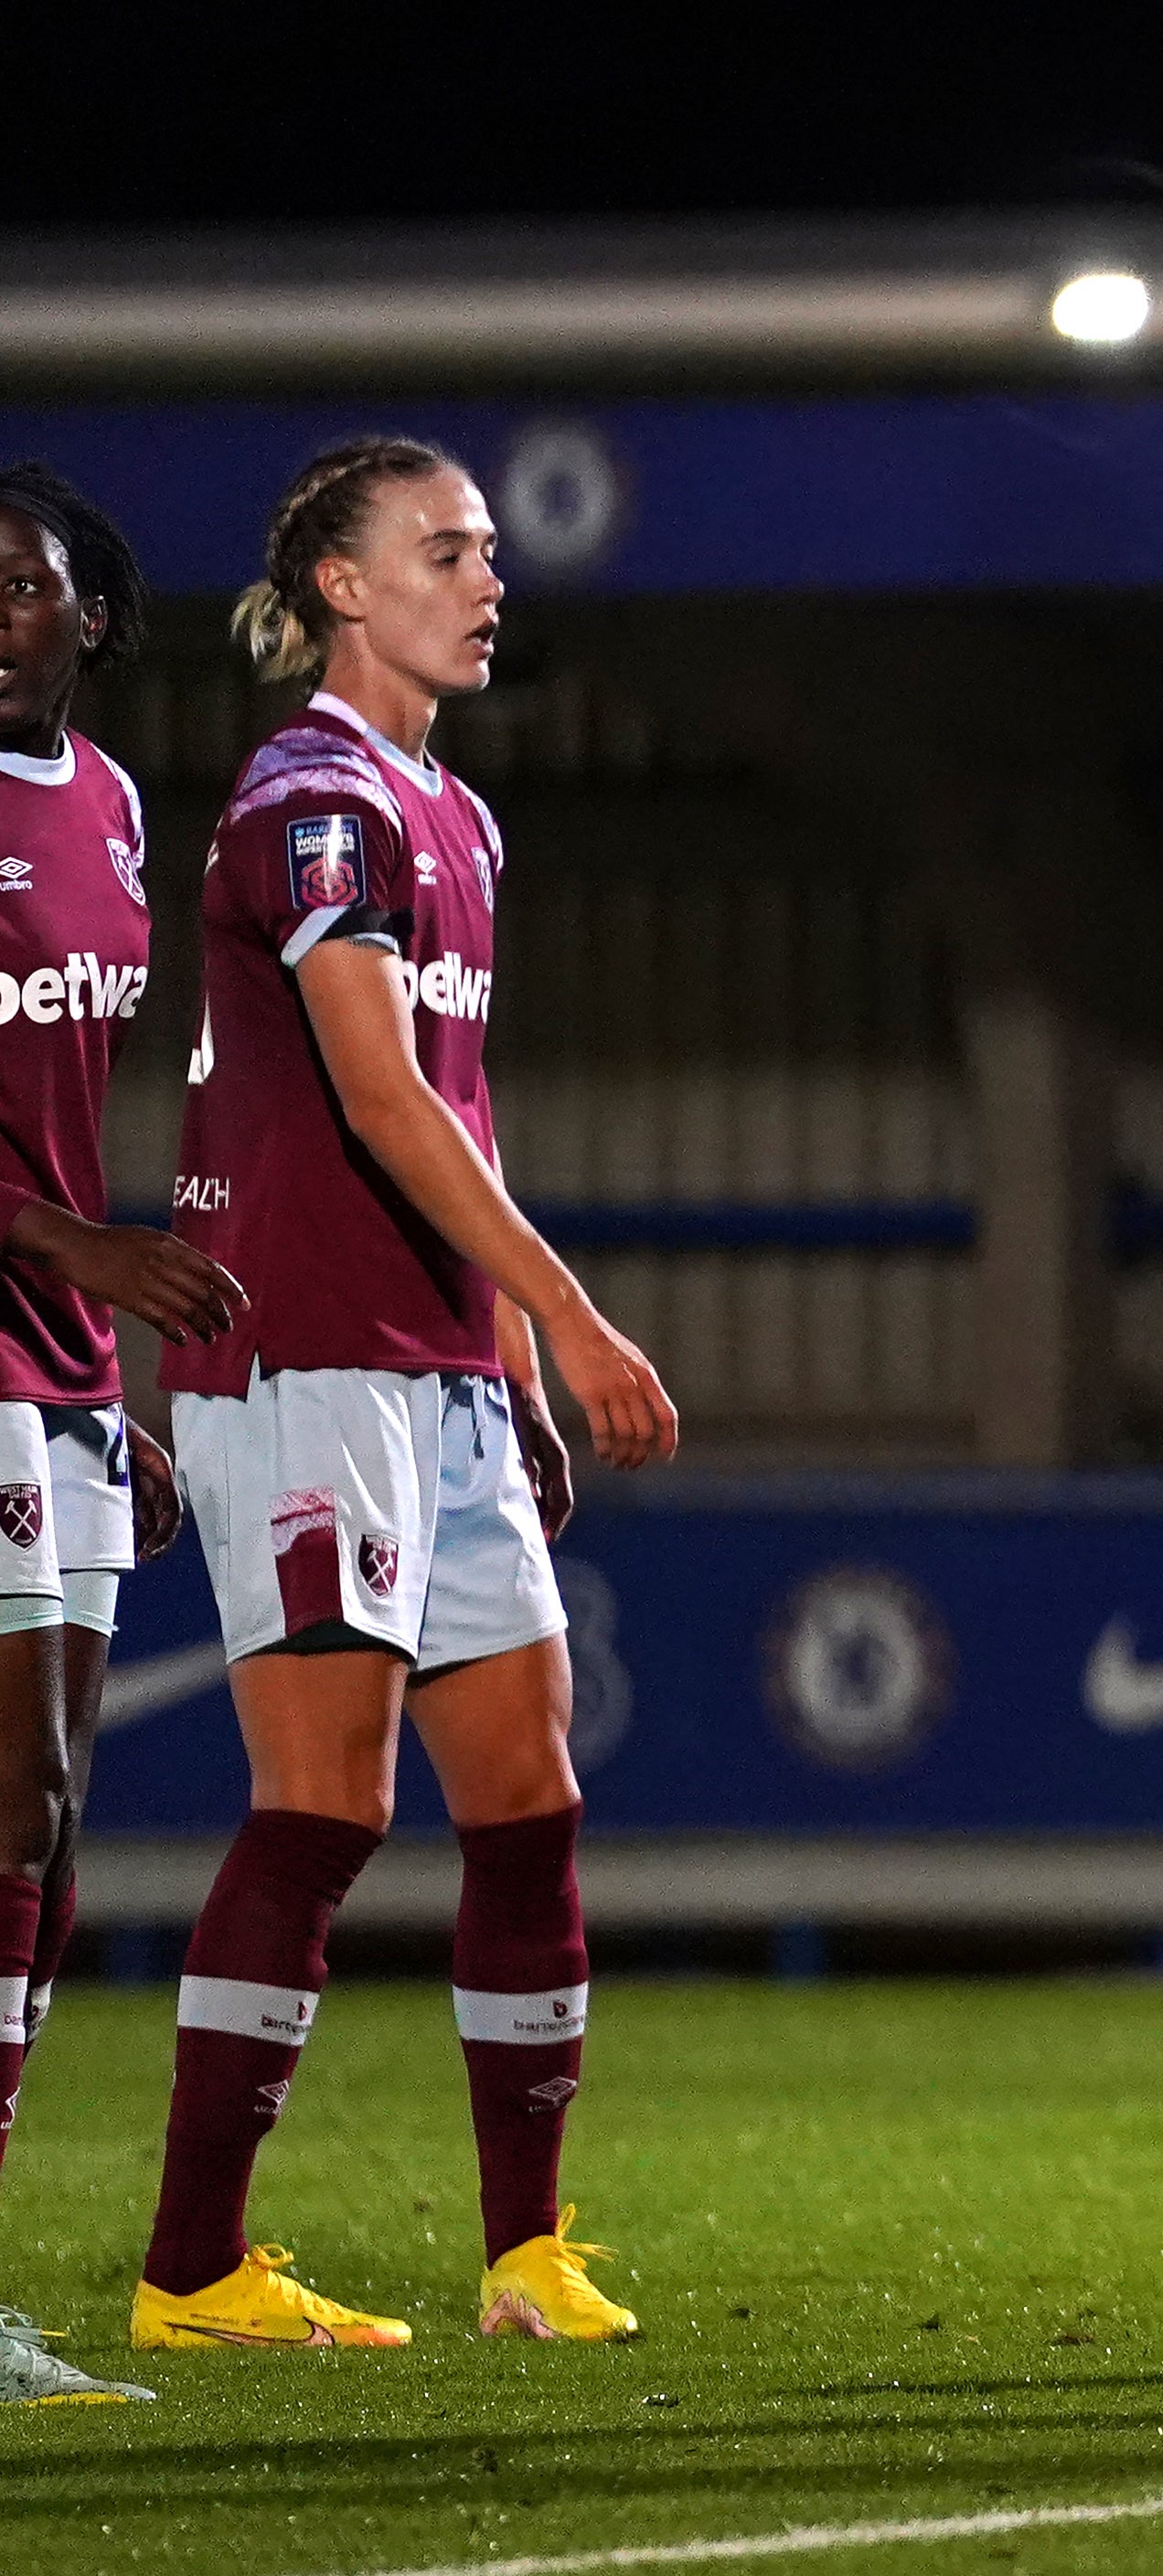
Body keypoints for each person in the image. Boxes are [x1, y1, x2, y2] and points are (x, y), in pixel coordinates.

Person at [129, 434, 680, 2355]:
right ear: (345, 589)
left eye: (491, 552)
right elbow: (373, 1098)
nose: (488, 576)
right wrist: (583, 1315)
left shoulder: (457, 816)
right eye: (447, 549)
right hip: (294, 1361)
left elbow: (461, 1110)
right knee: (325, 1807)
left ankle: (526, 2253)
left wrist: (510, 1361)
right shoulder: (312, 802)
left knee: (529, 1799)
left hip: (436, 1366)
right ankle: (194, 2265)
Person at [0, 464, 251, 2404]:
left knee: (58, 1821)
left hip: (60, 1363)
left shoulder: (110, 809)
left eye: (21, 584)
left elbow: (75, 1122)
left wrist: (102, 1357)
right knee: (15, 1800)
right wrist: (77, 1251)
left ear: (96, 610)